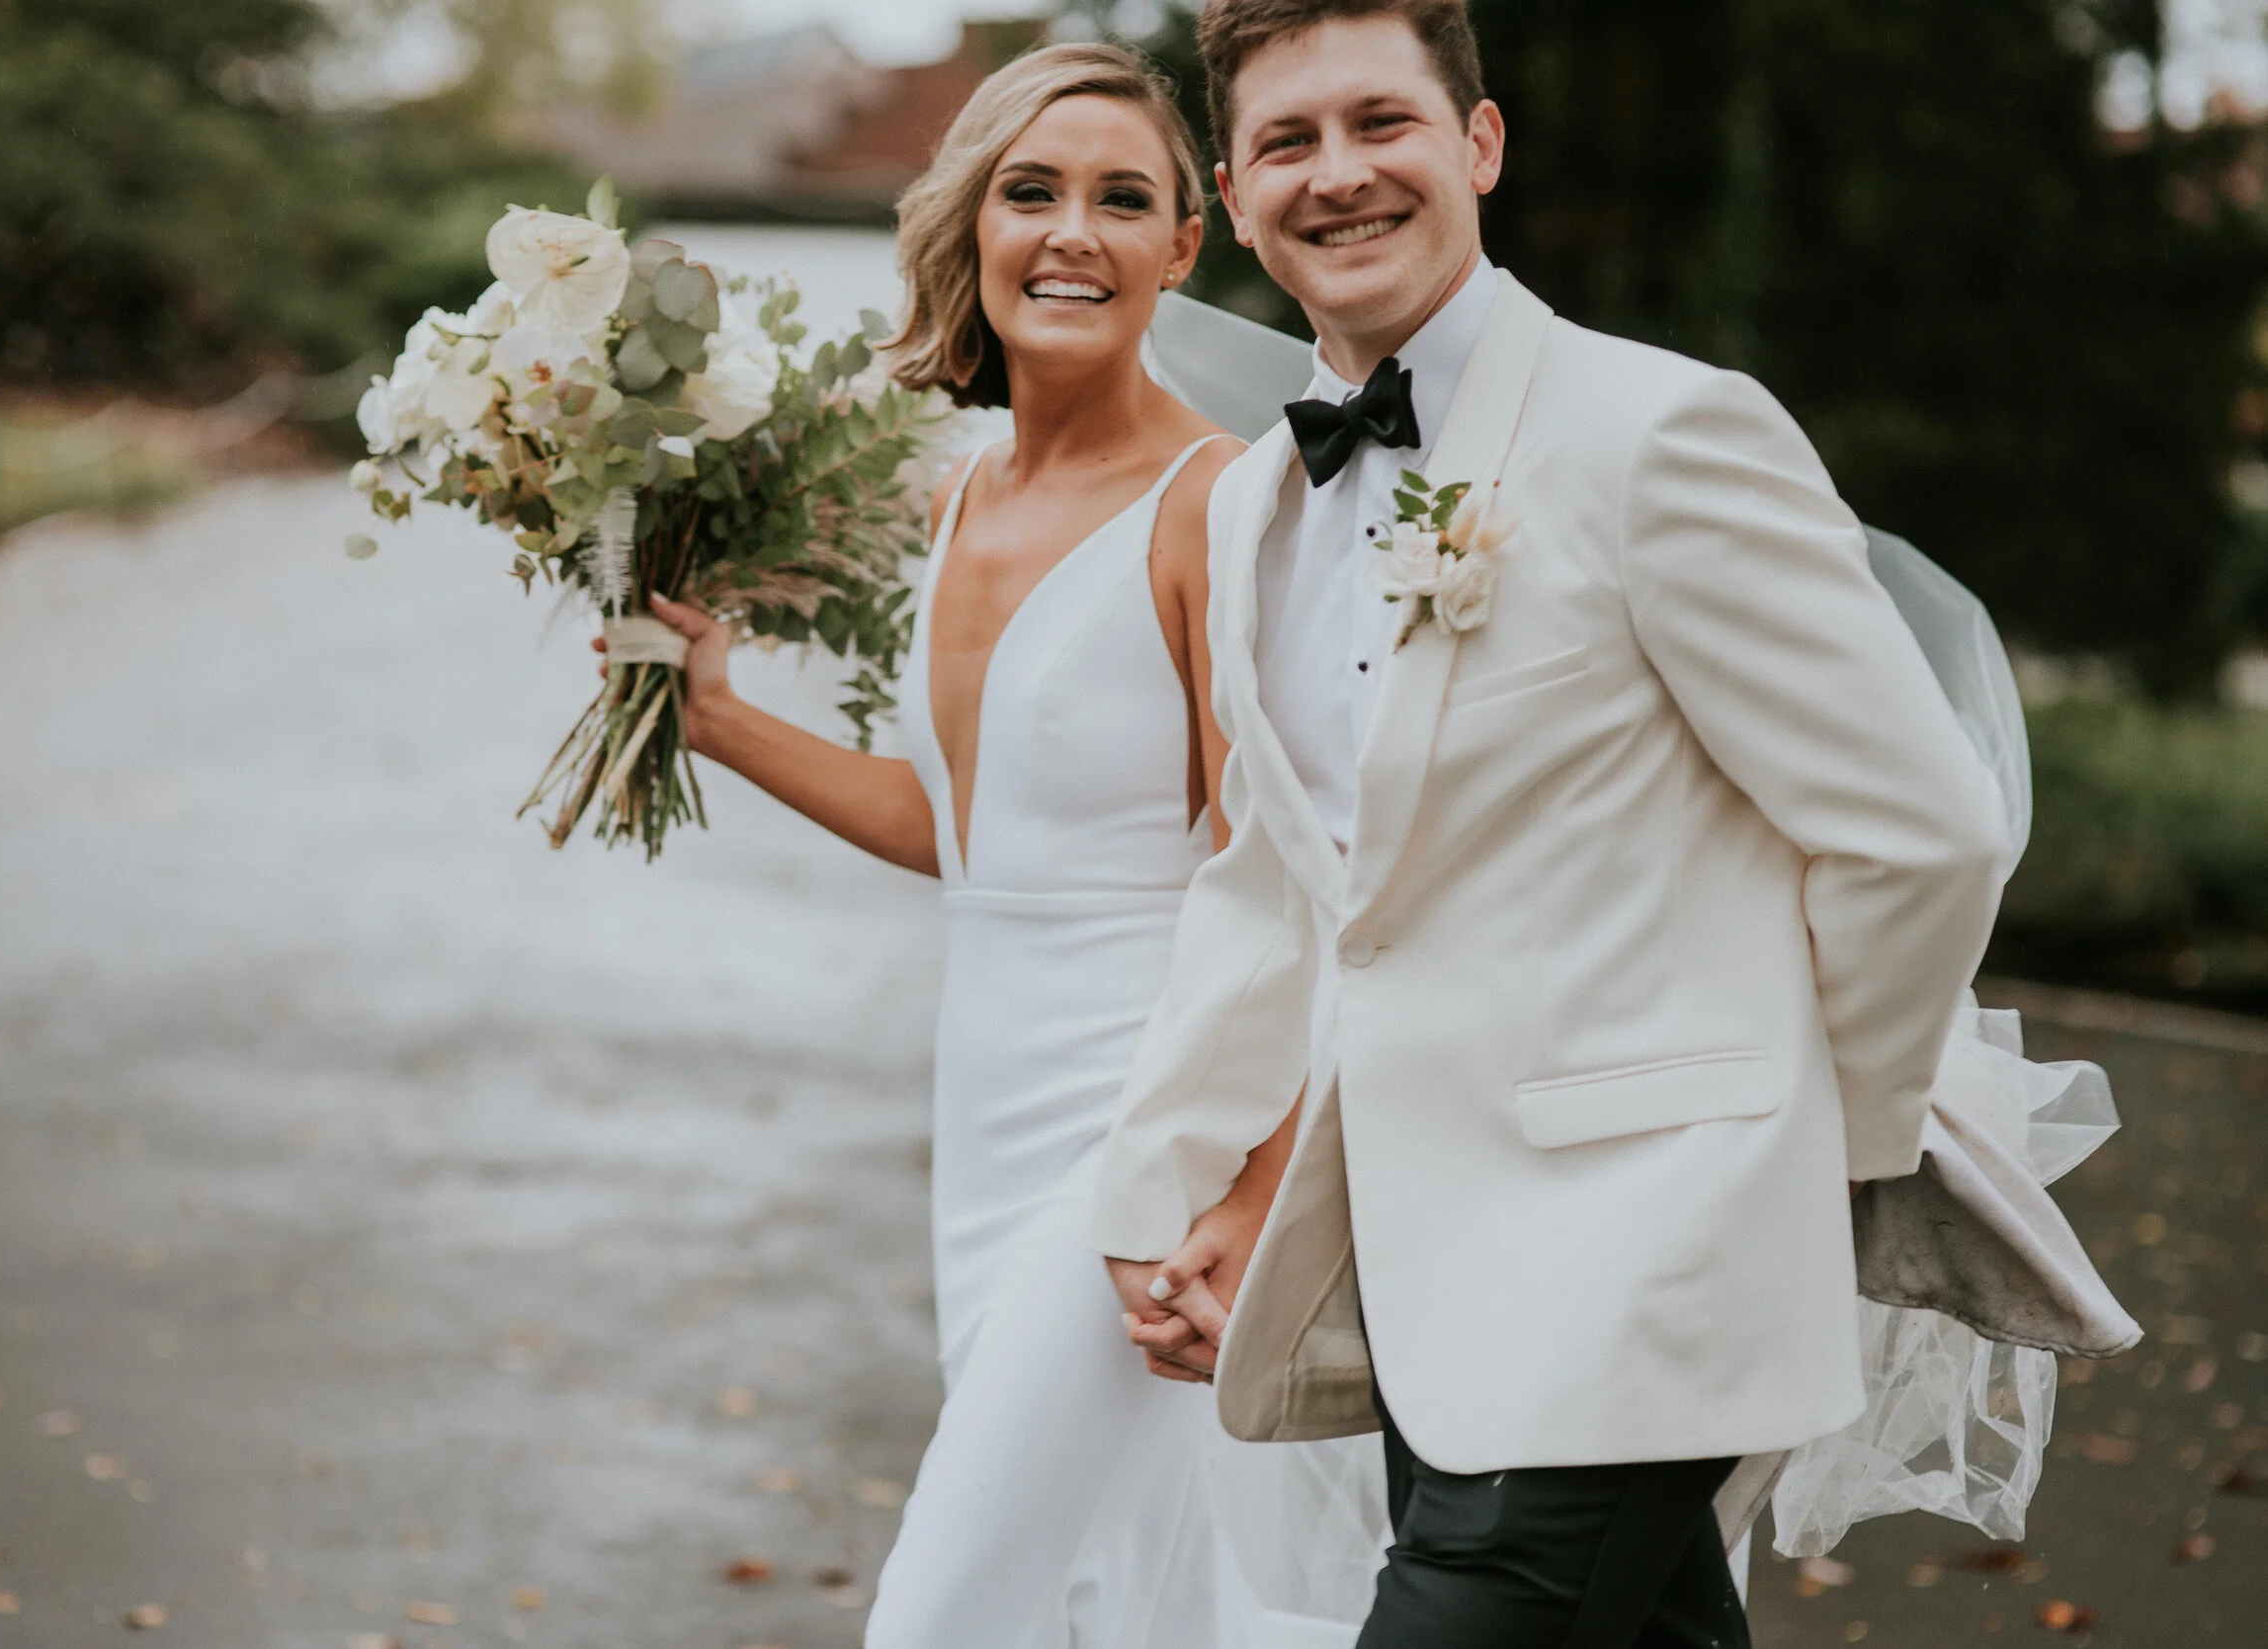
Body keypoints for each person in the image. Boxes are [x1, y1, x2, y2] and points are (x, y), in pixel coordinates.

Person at [1088, 3, 2014, 1645]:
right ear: (1232, 197)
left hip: (1648, 1267)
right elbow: (1277, 880)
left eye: (1382, 122)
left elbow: (1920, 830)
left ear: (1481, 143)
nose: (1339, 173)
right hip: (1428, 1281)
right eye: (1288, 142)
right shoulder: (1249, 506)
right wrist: (1168, 1176)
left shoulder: (1662, 433)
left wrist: (1818, 1145)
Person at [615, 41, 1388, 1649]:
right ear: (973, 222)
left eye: (1123, 200)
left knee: (945, 1610)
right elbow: (971, 838)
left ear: (1185, 246)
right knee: (1114, 1592)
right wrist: (722, 722)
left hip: (1141, 1132)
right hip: (981, 1118)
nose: (1072, 233)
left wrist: (1252, 1193)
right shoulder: (963, 494)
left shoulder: (1216, 508)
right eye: (1032, 192)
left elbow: (1299, 886)